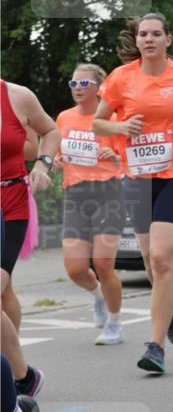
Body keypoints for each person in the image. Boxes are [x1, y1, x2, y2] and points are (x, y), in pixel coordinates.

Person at [93, 13, 173, 374]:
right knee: (152, 263)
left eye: (155, 34)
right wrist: (120, 125)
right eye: (143, 35)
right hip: (138, 180)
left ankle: (155, 346)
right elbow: (98, 122)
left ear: (169, 39)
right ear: (137, 42)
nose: (148, 39)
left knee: (163, 259)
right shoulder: (121, 78)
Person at [55, 64, 125, 345]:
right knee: (74, 269)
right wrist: (57, 161)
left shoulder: (112, 117)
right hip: (75, 194)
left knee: (103, 263)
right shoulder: (63, 118)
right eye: (74, 83)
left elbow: (127, 160)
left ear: (99, 88)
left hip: (108, 192)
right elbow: (60, 153)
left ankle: (115, 323)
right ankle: (98, 296)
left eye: (84, 83)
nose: (78, 88)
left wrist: (114, 155)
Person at [1, 80, 59, 395]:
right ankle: (10, 367)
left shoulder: (18, 96)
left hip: (10, 205)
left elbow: (50, 132)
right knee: (4, 289)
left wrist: (43, 164)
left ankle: (23, 376)